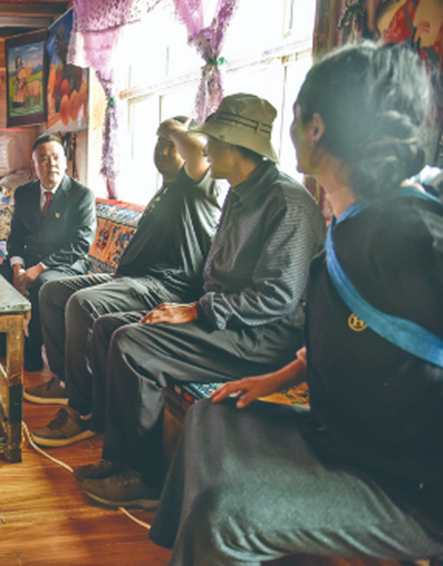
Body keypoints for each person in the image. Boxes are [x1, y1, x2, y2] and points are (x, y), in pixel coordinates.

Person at [151, 41, 443, 565]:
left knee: (226, 514)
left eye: (295, 115)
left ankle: (213, 543)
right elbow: (367, 334)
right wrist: (281, 377)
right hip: (342, 438)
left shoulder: (412, 235)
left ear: (316, 128)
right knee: (209, 418)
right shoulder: (354, 221)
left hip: (405, 488)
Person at [77, 93, 326, 509]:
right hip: (226, 318)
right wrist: (192, 308)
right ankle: (118, 456)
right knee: (107, 328)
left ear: (235, 146)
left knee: (133, 344)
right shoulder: (239, 192)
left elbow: (277, 299)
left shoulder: (287, 204)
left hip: (267, 336)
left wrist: (196, 310)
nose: (205, 149)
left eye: (212, 141)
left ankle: (145, 477)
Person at [28, 116, 222, 448]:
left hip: (169, 286)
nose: (163, 151)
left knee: (83, 304)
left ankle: (84, 410)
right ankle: (66, 382)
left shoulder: (198, 187)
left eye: (171, 146)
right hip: (134, 278)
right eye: (159, 143)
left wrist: (171, 128)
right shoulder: (166, 189)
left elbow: (198, 152)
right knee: (52, 291)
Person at [0, 133, 96, 371]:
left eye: (56, 157)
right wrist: (17, 266)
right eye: (43, 158)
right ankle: (10, 343)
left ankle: (34, 350)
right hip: (31, 260)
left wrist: (39, 268)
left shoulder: (81, 195)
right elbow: (16, 236)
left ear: (65, 162)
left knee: (43, 284)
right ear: (34, 165)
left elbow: (80, 244)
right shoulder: (24, 193)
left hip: (67, 264)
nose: (51, 164)